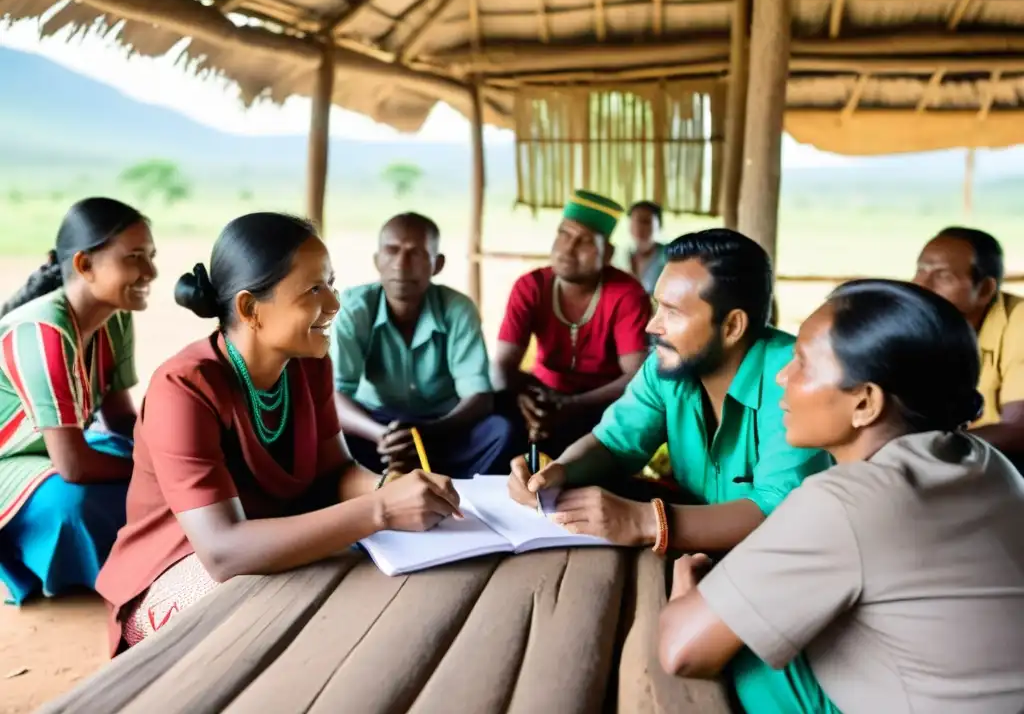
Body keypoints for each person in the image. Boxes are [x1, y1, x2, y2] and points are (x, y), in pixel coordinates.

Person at [95, 213, 461, 655]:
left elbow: (337, 471)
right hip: (181, 565)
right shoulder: (184, 388)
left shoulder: (308, 364)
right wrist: (380, 509)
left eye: (331, 283)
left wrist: (389, 485)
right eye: (313, 290)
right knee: (265, 618)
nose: (334, 303)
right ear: (251, 309)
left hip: (272, 548)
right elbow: (222, 550)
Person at [658, 279, 1024, 714]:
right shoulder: (987, 460)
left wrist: (684, 594)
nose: (782, 377)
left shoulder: (846, 502)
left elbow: (681, 650)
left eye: (802, 364)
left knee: (740, 641)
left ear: (865, 403)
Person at [508, 228, 831, 551]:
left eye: (672, 312)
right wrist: (558, 473)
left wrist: (645, 521)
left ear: (732, 326)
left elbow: (780, 511)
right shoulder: (669, 365)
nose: (652, 325)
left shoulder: (793, 379)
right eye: (657, 307)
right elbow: (613, 444)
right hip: (699, 551)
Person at [0, 197, 154, 605]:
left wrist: (163, 454)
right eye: (135, 257)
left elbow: (120, 417)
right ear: (85, 265)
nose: (151, 272)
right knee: (75, 504)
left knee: (163, 464)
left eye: (151, 257)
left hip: (60, 452)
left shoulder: (115, 316)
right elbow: (73, 466)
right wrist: (155, 473)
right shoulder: (41, 331)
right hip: (14, 465)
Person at [331, 213, 513, 478]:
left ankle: (460, 495)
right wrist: (381, 435)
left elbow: (480, 397)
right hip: (375, 425)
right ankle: (380, 482)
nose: (401, 265)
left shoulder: (457, 309)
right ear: (377, 260)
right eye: (391, 251)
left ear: (437, 264)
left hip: (444, 427)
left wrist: (427, 433)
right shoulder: (354, 308)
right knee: (324, 437)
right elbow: (334, 395)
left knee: (501, 431)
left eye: (415, 253)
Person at [492, 190, 652, 459]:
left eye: (585, 241)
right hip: (542, 396)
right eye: (564, 234)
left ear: (607, 253)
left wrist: (571, 406)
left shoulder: (627, 294)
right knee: (498, 418)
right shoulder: (530, 286)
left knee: (620, 431)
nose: (568, 247)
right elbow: (501, 366)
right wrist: (527, 400)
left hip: (601, 403)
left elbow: (636, 376)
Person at [913, 227, 1024, 463]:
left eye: (943, 276)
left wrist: (922, 453)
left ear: (984, 290)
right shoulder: (920, 325)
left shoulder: (1020, 321)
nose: (921, 284)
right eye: (921, 270)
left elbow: (1018, 430)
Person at [616, 201, 667, 295]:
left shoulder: (669, 256)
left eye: (646, 222)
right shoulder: (619, 257)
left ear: (659, 224)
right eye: (635, 221)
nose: (639, 227)